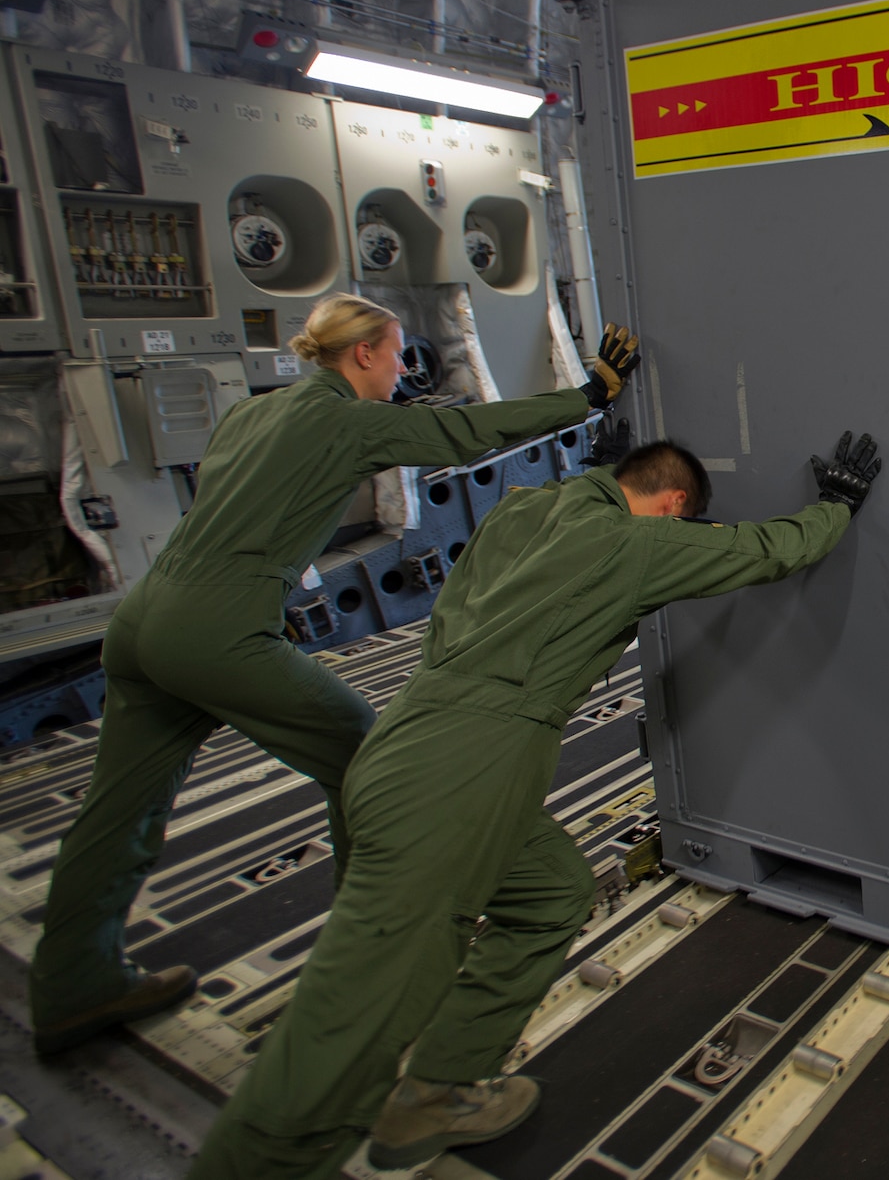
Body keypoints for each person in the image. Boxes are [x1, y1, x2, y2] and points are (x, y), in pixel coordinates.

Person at [187, 430, 884, 1178]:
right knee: (357, 1003)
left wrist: (593, 468)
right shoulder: (633, 545)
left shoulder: (522, 512)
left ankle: (439, 1087)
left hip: (405, 740)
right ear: (673, 505)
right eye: (683, 522)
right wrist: (835, 508)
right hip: (465, 769)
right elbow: (764, 551)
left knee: (554, 893)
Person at [29, 293, 639, 1056]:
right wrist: (588, 395)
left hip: (145, 621)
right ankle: (375, 967)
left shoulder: (255, 412)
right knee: (369, 761)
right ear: (362, 355)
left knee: (119, 811)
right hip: (219, 629)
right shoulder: (346, 418)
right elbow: (460, 429)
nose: (401, 371)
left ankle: (71, 983)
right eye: (394, 356)